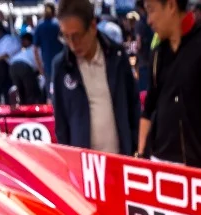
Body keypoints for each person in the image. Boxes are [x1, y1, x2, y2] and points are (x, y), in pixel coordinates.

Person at [139, 0, 201, 170]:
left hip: (196, 161)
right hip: (157, 158)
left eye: (151, 11)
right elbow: (149, 105)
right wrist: (141, 153)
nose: (149, 20)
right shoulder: (158, 51)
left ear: (171, 6)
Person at [52, 0, 138, 153]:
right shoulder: (61, 67)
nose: (72, 44)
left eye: (77, 36)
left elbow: (133, 105)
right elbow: (61, 124)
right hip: (84, 165)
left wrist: (135, 147)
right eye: (66, 37)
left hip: (120, 159)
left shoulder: (117, 57)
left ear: (92, 27)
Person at [34, 2, 64, 85]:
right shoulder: (59, 24)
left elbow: (35, 50)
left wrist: (40, 68)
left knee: (51, 94)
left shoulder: (40, 25)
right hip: (62, 65)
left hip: (47, 66)